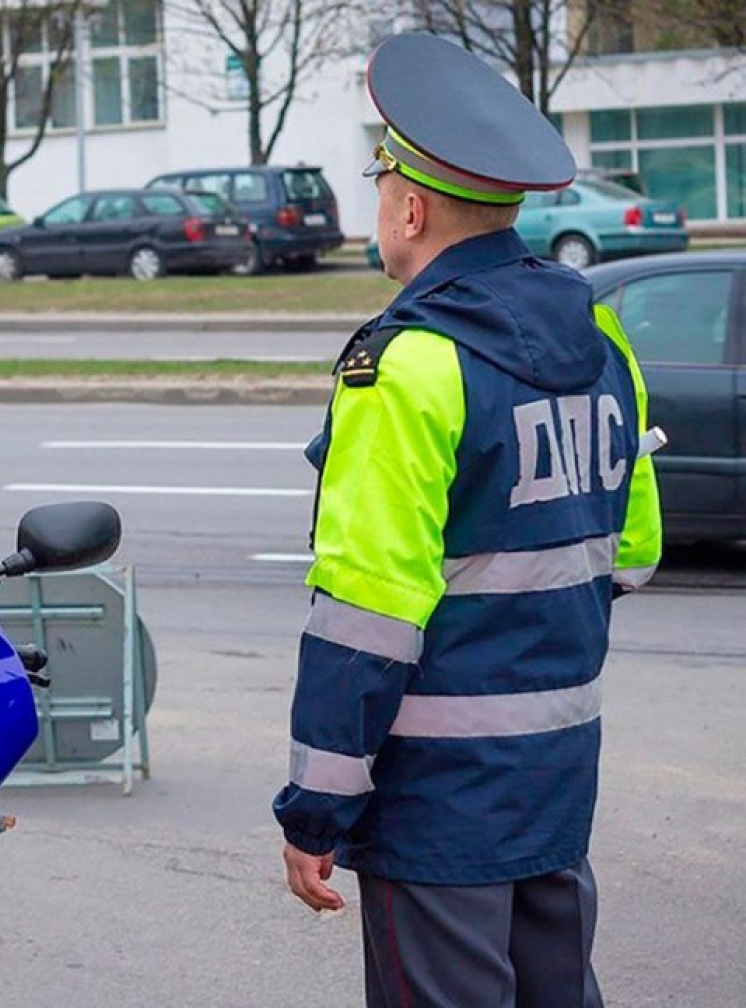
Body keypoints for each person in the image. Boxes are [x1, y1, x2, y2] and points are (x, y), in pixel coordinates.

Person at [272, 32, 662, 1008]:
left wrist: (314, 808)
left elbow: (365, 610)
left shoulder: (402, 364)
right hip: (556, 774)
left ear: (407, 206)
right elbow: (635, 546)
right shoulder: (594, 328)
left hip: (436, 806)